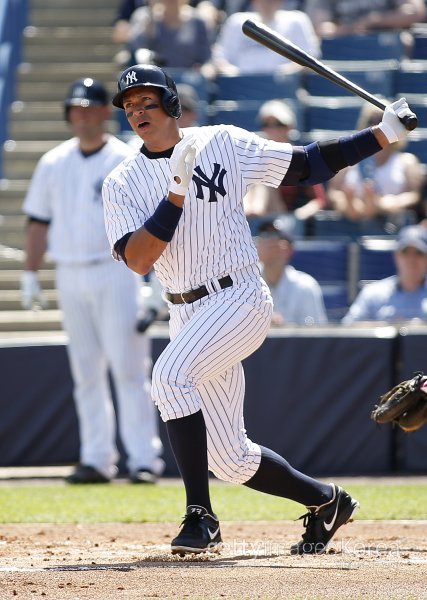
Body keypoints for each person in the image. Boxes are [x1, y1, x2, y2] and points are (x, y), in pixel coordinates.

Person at [102, 63, 413, 555]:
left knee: (168, 377)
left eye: (148, 101)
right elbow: (139, 259)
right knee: (230, 459)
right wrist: (175, 194)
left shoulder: (222, 141)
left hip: (239, 295)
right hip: (185, 310)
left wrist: (382, 133)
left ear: (173, 104)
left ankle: (200, 516)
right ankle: (327, 501)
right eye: (130, 105)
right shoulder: (122, 180)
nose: (138, 111)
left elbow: (305, 165)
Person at [20, 78, 164, 485]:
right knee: (85, 371)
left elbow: (156, 221)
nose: (81, 116)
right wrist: (31, 272)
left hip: (117, 268)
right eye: (75, 109)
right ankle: (97, 457)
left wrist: (155, 284)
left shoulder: (127, 157)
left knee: (129, 368)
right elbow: (37, 220)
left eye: (89, 108)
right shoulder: (52, 162)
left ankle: (142, 459)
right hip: (69, 270)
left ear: (105, 111)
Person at [327, 104, 425, 233]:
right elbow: (333, 192)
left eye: (381, 121)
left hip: (392, 226)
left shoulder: (407, 161)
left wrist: (385, 203)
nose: (377, 126)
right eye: (371, 121)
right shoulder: (348, 161)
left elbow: (414, 196)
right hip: (351, 222)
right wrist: (349, 203)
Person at [244, 99, 327, 235]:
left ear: (290, 127)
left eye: (278, 124)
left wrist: (297, 216)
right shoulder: (255, 154)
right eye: (266, 125)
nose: (272, 130)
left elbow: (319, 200)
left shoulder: (300, 158)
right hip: (255, 221)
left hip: (282, 224)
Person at [342, 224, 427, 323]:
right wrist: (384, 328)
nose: (411, 259)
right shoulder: (373, 293)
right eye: (405, 252)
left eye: (418, 253)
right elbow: (349, 328)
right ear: (396, 256)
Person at [211, 0, 320, 75]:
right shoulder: (236, 21)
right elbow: (220, 59)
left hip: (284, 92)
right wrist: (241, 76)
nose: (268, 2)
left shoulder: (297, 20)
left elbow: (311, 58)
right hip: (241, 90)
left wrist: (281, 74)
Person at [256, 217, 328, 325]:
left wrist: (284, 326)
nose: (270, 243)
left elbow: (316, 334)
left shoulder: (306, 286)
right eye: (265, 236)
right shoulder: (243, 281)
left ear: (289, 249)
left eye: (276, 238)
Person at [126, 0, 213, 70]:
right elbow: (136, 49)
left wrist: (203, 70)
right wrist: (150, 20)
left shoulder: (197, 22)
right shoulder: (144, 16)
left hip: (189, 83)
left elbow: (206, 58)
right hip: (156, 82)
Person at [305, 0, 426, 38]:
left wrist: (374, 20)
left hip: (388, 42)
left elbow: (415, 12)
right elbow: (321, 29)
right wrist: (354, 27)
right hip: (348, 44)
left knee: (405, 39)